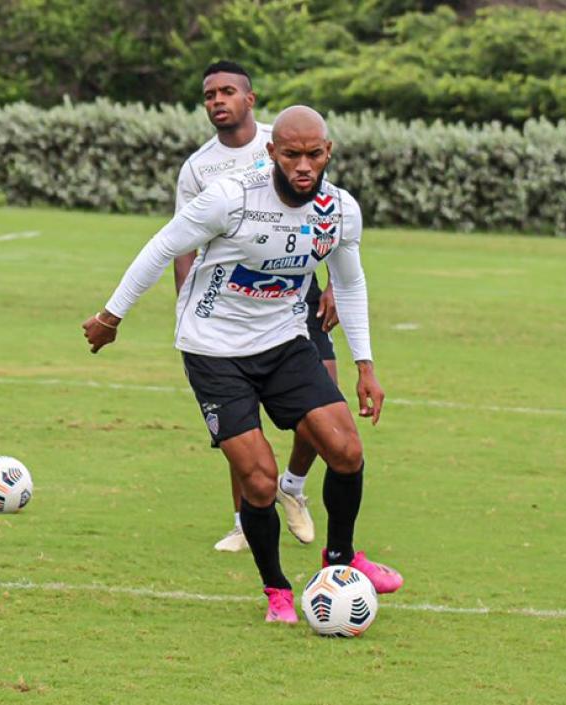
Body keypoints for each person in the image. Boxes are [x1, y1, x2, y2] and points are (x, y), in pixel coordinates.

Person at [83, 106, 402, 623]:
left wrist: (365, 366)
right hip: (213, 349)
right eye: (292, 154)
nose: (304, 165)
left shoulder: (339, 210)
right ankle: (276, 589)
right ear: (273, 152)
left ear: (329, 153)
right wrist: (110, 315)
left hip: (283, 339)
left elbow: (350, 281)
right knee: (258, 480)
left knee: (345, 448)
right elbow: (163, 244)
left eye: (314, 154)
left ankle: (340, 563)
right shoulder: (231, 198)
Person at [175, 61, 339, 553]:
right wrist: (189, 305)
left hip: (295, 287)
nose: (217, 101)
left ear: (250, 99)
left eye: (227, 92)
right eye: (209, 95)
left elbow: (325, 207)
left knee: (325, 394)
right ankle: (246, 520)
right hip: (230, 297)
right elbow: (183, 242)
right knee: (241, 418)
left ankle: (292, 485)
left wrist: (331, 282)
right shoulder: (198, 168)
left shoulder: (289, 137)